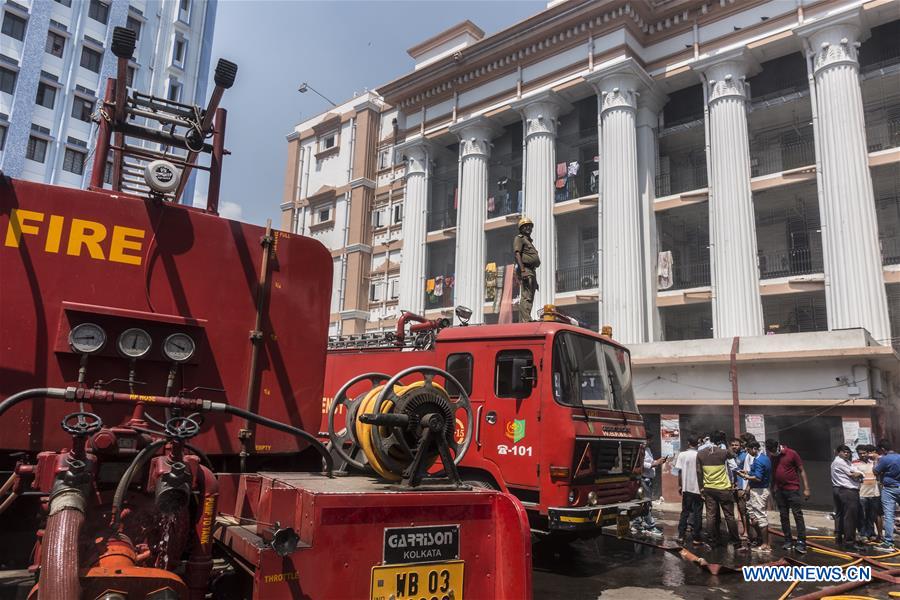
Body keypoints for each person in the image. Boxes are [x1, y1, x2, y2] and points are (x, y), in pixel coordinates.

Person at [697, 431, 742, 551]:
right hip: (723, 489)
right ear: (721, 441)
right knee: (729, 516)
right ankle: (736, 542)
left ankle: (711, 541)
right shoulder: (724, 452)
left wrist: (701, 487)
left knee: (710, 516)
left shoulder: (700, 453)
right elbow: (733, 455)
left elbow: (699, 472)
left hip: (708, 488)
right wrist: (725, 443)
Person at [767, 438, 810, 554]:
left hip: (792, 489)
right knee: (783, 516)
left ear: (778, 446)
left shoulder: (792, 453)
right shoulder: (772, 457)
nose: (773, 452)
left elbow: (801, 470)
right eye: (770, 451)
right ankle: (788, 539)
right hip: (779, 491)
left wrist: (807, 488)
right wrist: (772, 490)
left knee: (797, 515)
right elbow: (773, 474)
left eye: (774, 450)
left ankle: (801, 541)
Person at [738, 440, 772, 553]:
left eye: (748, 450)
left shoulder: (758, 461)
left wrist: (745, 476)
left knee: (761, 517)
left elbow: (758, 478)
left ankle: (765, 545)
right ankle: (761, 539)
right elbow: (757, 473)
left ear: (754, 449)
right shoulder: (764, 458)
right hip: (758, 490)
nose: (748, 452)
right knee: (754, 516)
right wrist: (747, 472)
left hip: (759, 491)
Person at [831, 444, 865, 551]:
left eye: (848, 452)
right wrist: (859, 474)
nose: (846, 454)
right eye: (844, 451)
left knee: (840, 514)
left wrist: (860, 474)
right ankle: (849, 542)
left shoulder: (847, 462)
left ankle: (839, 537)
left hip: (841, 490)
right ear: (838, 452)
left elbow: (858, 472)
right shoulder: (840, 462)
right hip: (847, 491)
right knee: (850, 517)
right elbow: (853, 474)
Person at [632, 433, 667, 536]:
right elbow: (641, 463)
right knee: (646, 503)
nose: (650, 442)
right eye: (649, 439)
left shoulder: (647, 449)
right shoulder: (640, 449)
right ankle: (650, 526)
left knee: (642, 503)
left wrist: (658, 462)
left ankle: (637, 523)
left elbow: (651, 462)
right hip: (643, 479)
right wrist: (654, 463)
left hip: (649, 478)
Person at [673, 435, 702, 545]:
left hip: (686, 488)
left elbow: (679, 472)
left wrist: (680, 485)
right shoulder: (700, 455)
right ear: (697, 443)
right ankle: (696, 537)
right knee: (697, 513)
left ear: (688, 443)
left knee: (685, 512)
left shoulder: (682, 455)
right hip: (698, 489)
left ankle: (681, 535)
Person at [873, 439, 900, 552]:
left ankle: (889, 543)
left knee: (889, 516)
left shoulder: (885, 459)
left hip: (889, 489)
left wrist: (876, 460)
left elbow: (875, 471)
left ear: (883, 449)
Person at [513, 216, 540, 323]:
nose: (528, 228)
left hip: (532, 270)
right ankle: (526, 320)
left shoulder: (529, 241)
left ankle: (525, 319)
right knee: (526, 296)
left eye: (529, 226)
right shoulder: (519, 238)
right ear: (521, 228)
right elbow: (517, 254)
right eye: (525, 226)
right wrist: (523, 270)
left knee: (530, 296)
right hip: (526, 269)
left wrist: (535, 281)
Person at [854, 445, 882, 542]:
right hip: (862, 493)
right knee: (862, 516)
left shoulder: (873, 463)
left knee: (872, 516)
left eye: (864, 453)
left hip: (874, 493)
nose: (862, 455)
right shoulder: (855, 464)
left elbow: (878, 472)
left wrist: (875, 459)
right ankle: (863, 534)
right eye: (860, 453)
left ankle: (871, 534)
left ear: (867, 453)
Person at [729, 437, 750, 540]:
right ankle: (740, 530)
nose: (734, 447)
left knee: (743, 510)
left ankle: (746, 531)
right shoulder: (731, 455)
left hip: (742, 486)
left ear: (740, 446)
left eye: (736, 445)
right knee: (737, 509)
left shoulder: (745, 456)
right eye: (732, 445)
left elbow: (747, 471)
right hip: (733, 486)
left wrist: (746, 488)